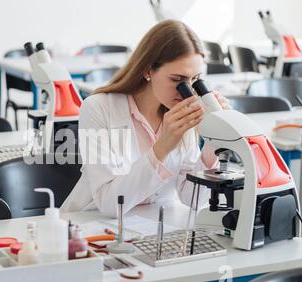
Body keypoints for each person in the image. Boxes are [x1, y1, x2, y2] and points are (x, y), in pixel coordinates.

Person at [61, 20, 230, 217]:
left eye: (195, 80)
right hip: (91, 226)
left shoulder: (182, 111)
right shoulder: (98, 108)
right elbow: (110, 204)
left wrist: (213, 140)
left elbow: (193, 199)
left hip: (154, 225)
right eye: (177, 80)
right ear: (148, 70)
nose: (189, 92)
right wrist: (163, 146)